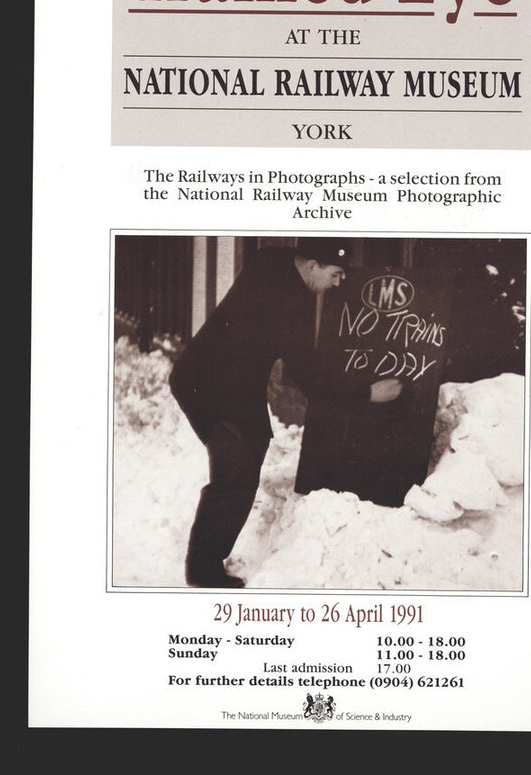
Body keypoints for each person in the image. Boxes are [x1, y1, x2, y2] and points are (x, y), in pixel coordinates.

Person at [169, 237, 402, 588]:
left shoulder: (272, 263)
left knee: (248, 451)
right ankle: (202, 571)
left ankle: (204, 562)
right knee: (236, 476)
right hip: (213, 389)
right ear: (312, 267)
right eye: (336, 274)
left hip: (215, 381)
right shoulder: (290, 303)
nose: (339, 282)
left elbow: (275, 256)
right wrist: (368, 392)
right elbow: (312, 380)